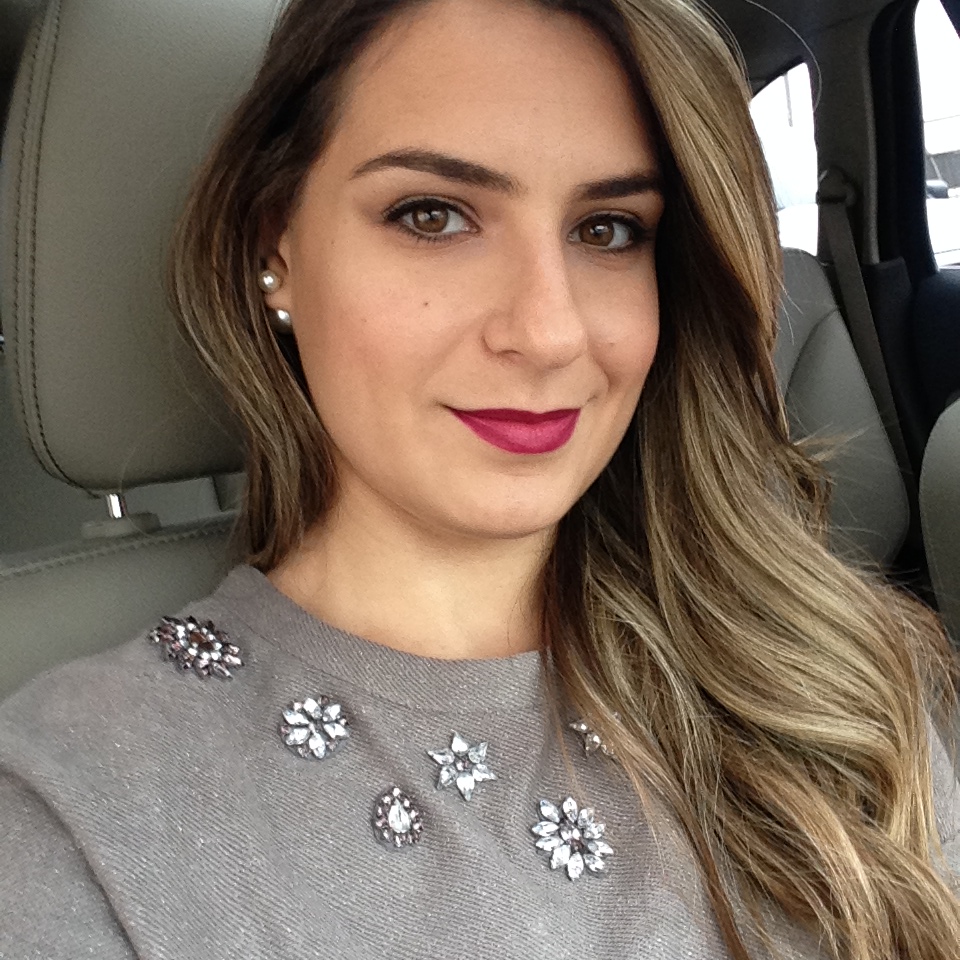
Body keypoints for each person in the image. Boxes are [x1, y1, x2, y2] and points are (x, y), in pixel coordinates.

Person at [0, 0, 958, 957]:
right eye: (433, 216)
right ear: (275, 248)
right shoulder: (74, 819)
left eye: (608, 229)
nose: (548, 332)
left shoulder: (829, 678)